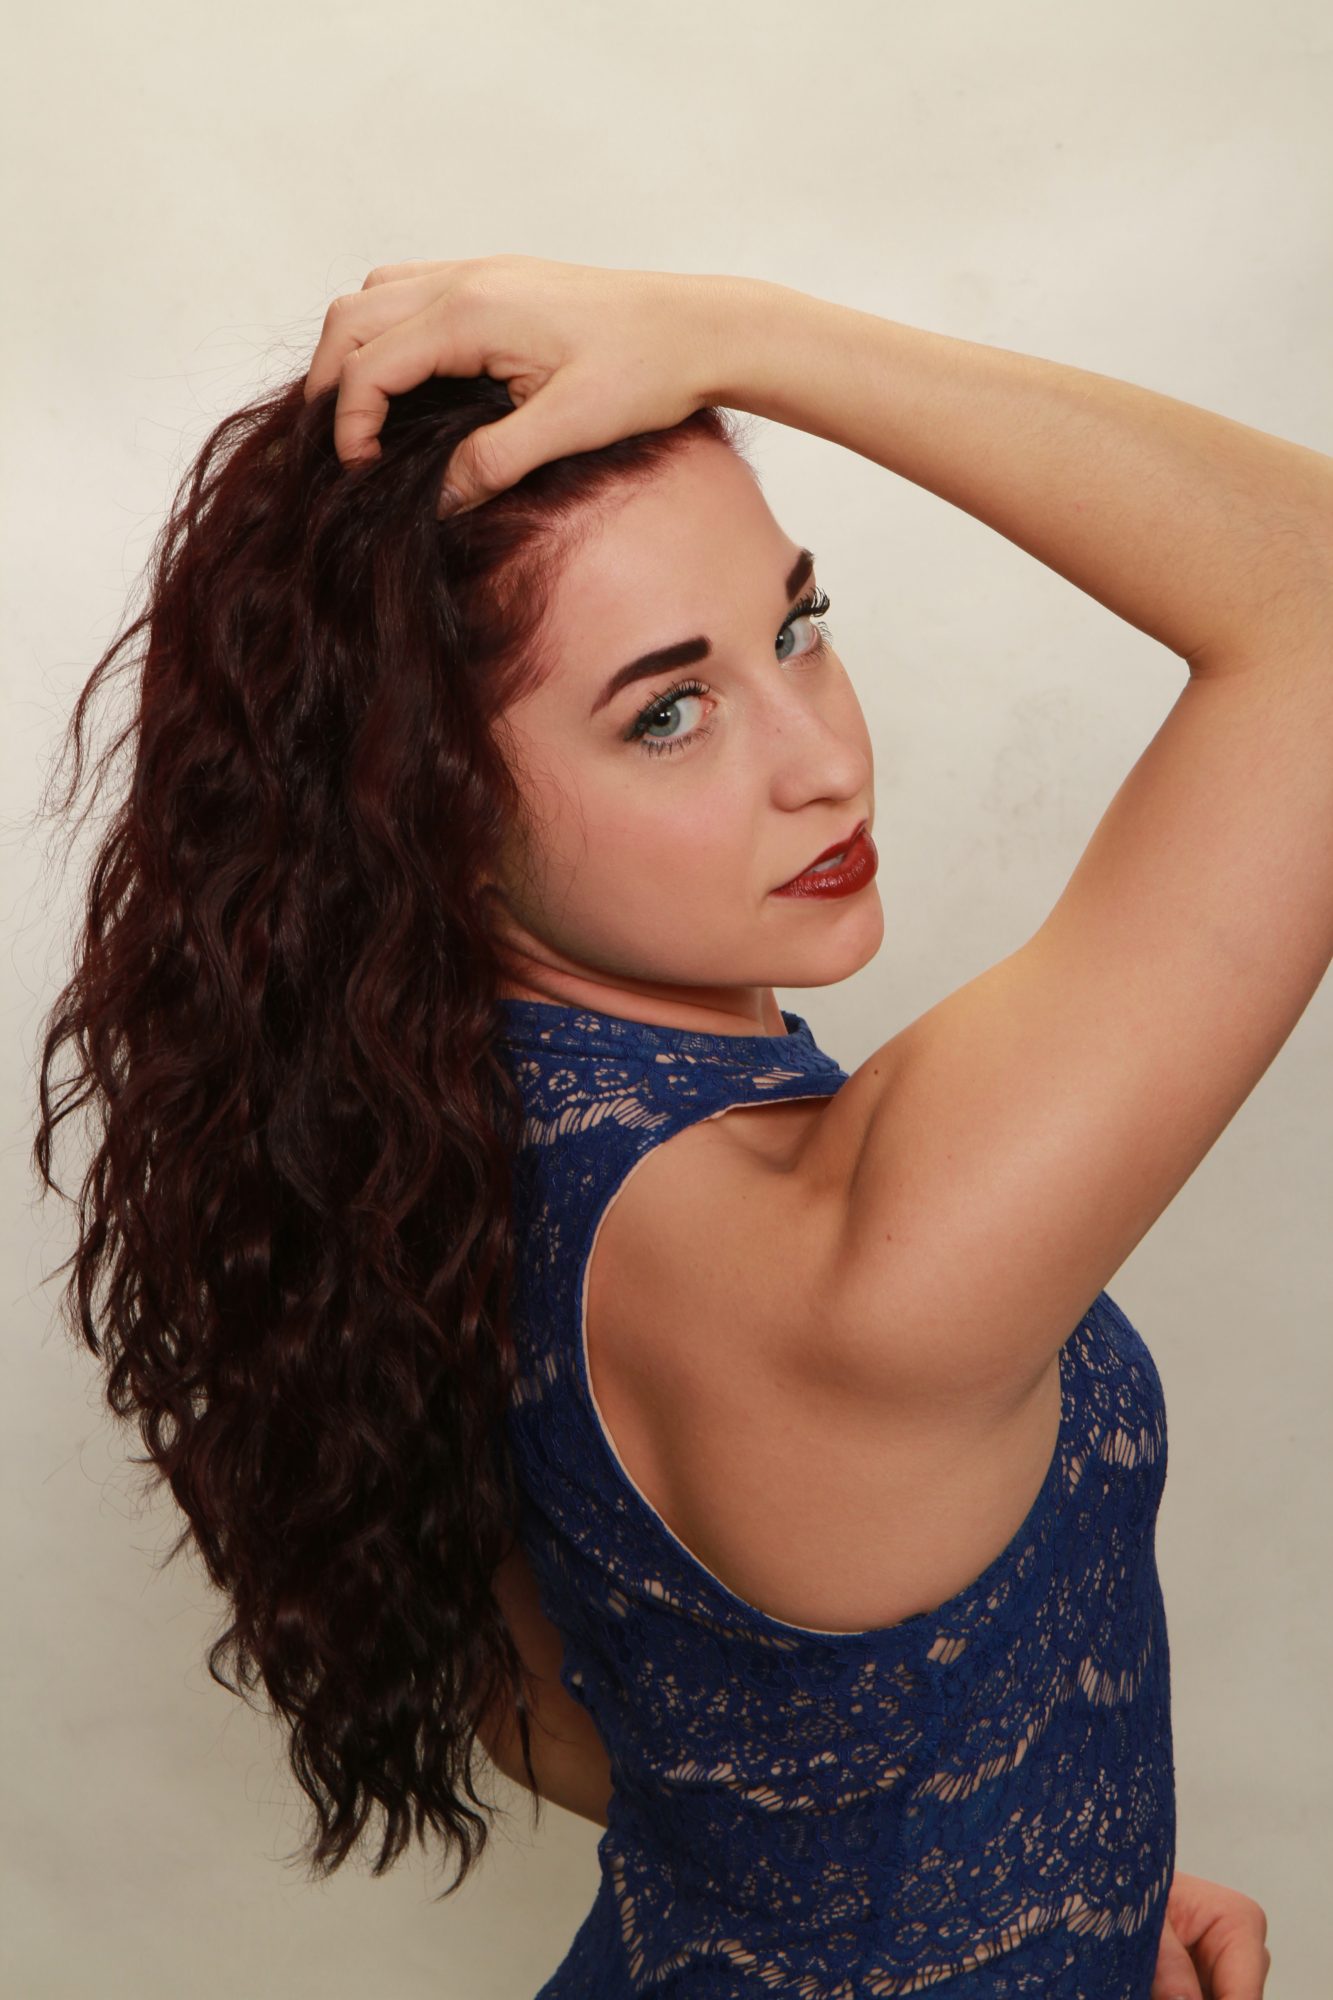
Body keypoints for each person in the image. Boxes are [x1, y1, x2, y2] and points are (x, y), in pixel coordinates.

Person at [36, 255, 1321, 1997]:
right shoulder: (855, 1253)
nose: (821, 759)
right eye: (667, 711)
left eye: (794, 626)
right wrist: (743, 332)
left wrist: (1019, 1867)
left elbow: (594, 1714)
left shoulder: (407, 1134)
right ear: (429, 809)